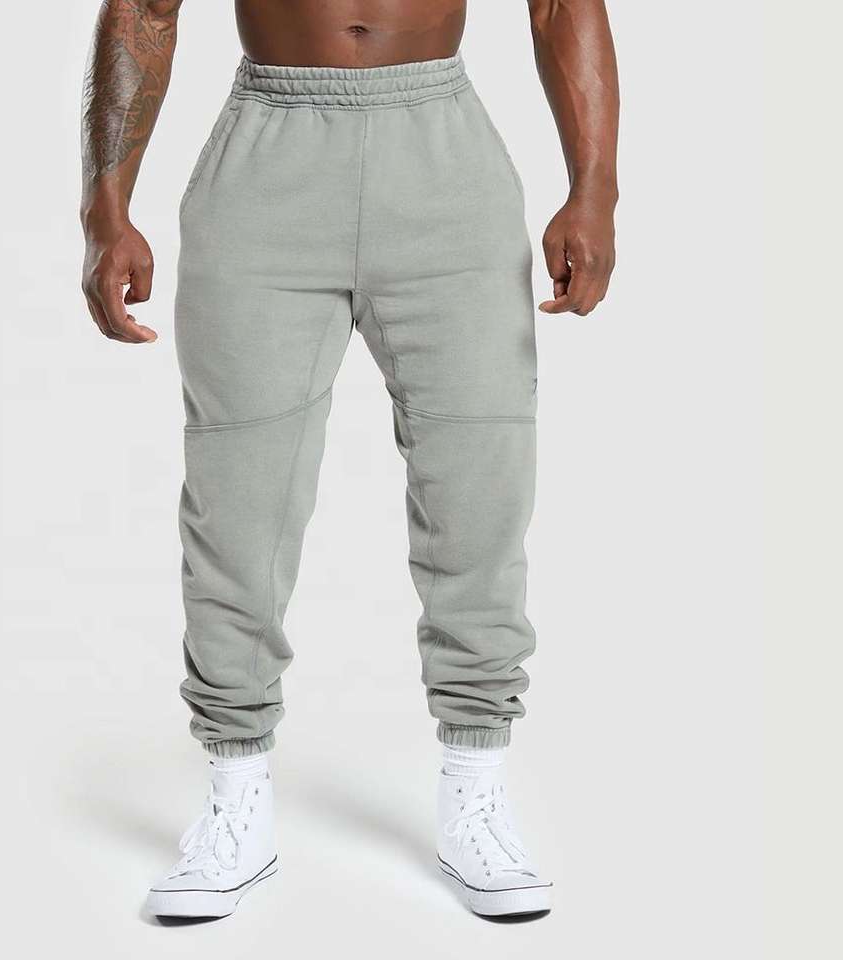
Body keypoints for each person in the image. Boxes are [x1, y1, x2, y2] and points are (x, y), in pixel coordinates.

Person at [80, 0, 618, 920]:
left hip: (441, 156)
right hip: (268, 157)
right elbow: (144, 7)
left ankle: (476, 789)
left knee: (482, 482)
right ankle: (236, 800)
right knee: (237, 498)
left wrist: (594, 189)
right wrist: (105, 207)